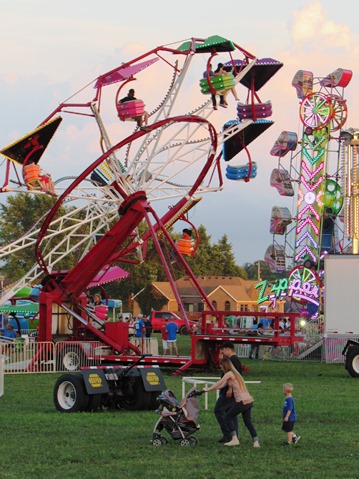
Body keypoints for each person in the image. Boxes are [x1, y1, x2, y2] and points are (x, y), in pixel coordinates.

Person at [203, 358, 260, 448]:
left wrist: (208, 389)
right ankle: (256, 442)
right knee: (248, 422)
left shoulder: (228, 374)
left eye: (221, 366)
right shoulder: (235, 374)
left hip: (242, 401)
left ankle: (234, 439)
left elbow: (219, 382)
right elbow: (222, 386)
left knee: (228, 417)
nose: (221, 368)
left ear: (225, 365)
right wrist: (208, 390)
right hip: (249, 400)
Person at [214, 341, 242, 443]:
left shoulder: (232, 360)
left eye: (223, 349)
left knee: (218, 410)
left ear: (228, 349)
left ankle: (228, 434)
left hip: (228, 392)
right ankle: (234, 435)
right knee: (231, 413)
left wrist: (230, 389)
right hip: (231, 391)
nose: (222, 351)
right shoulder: (234, 360)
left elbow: (233, 377)